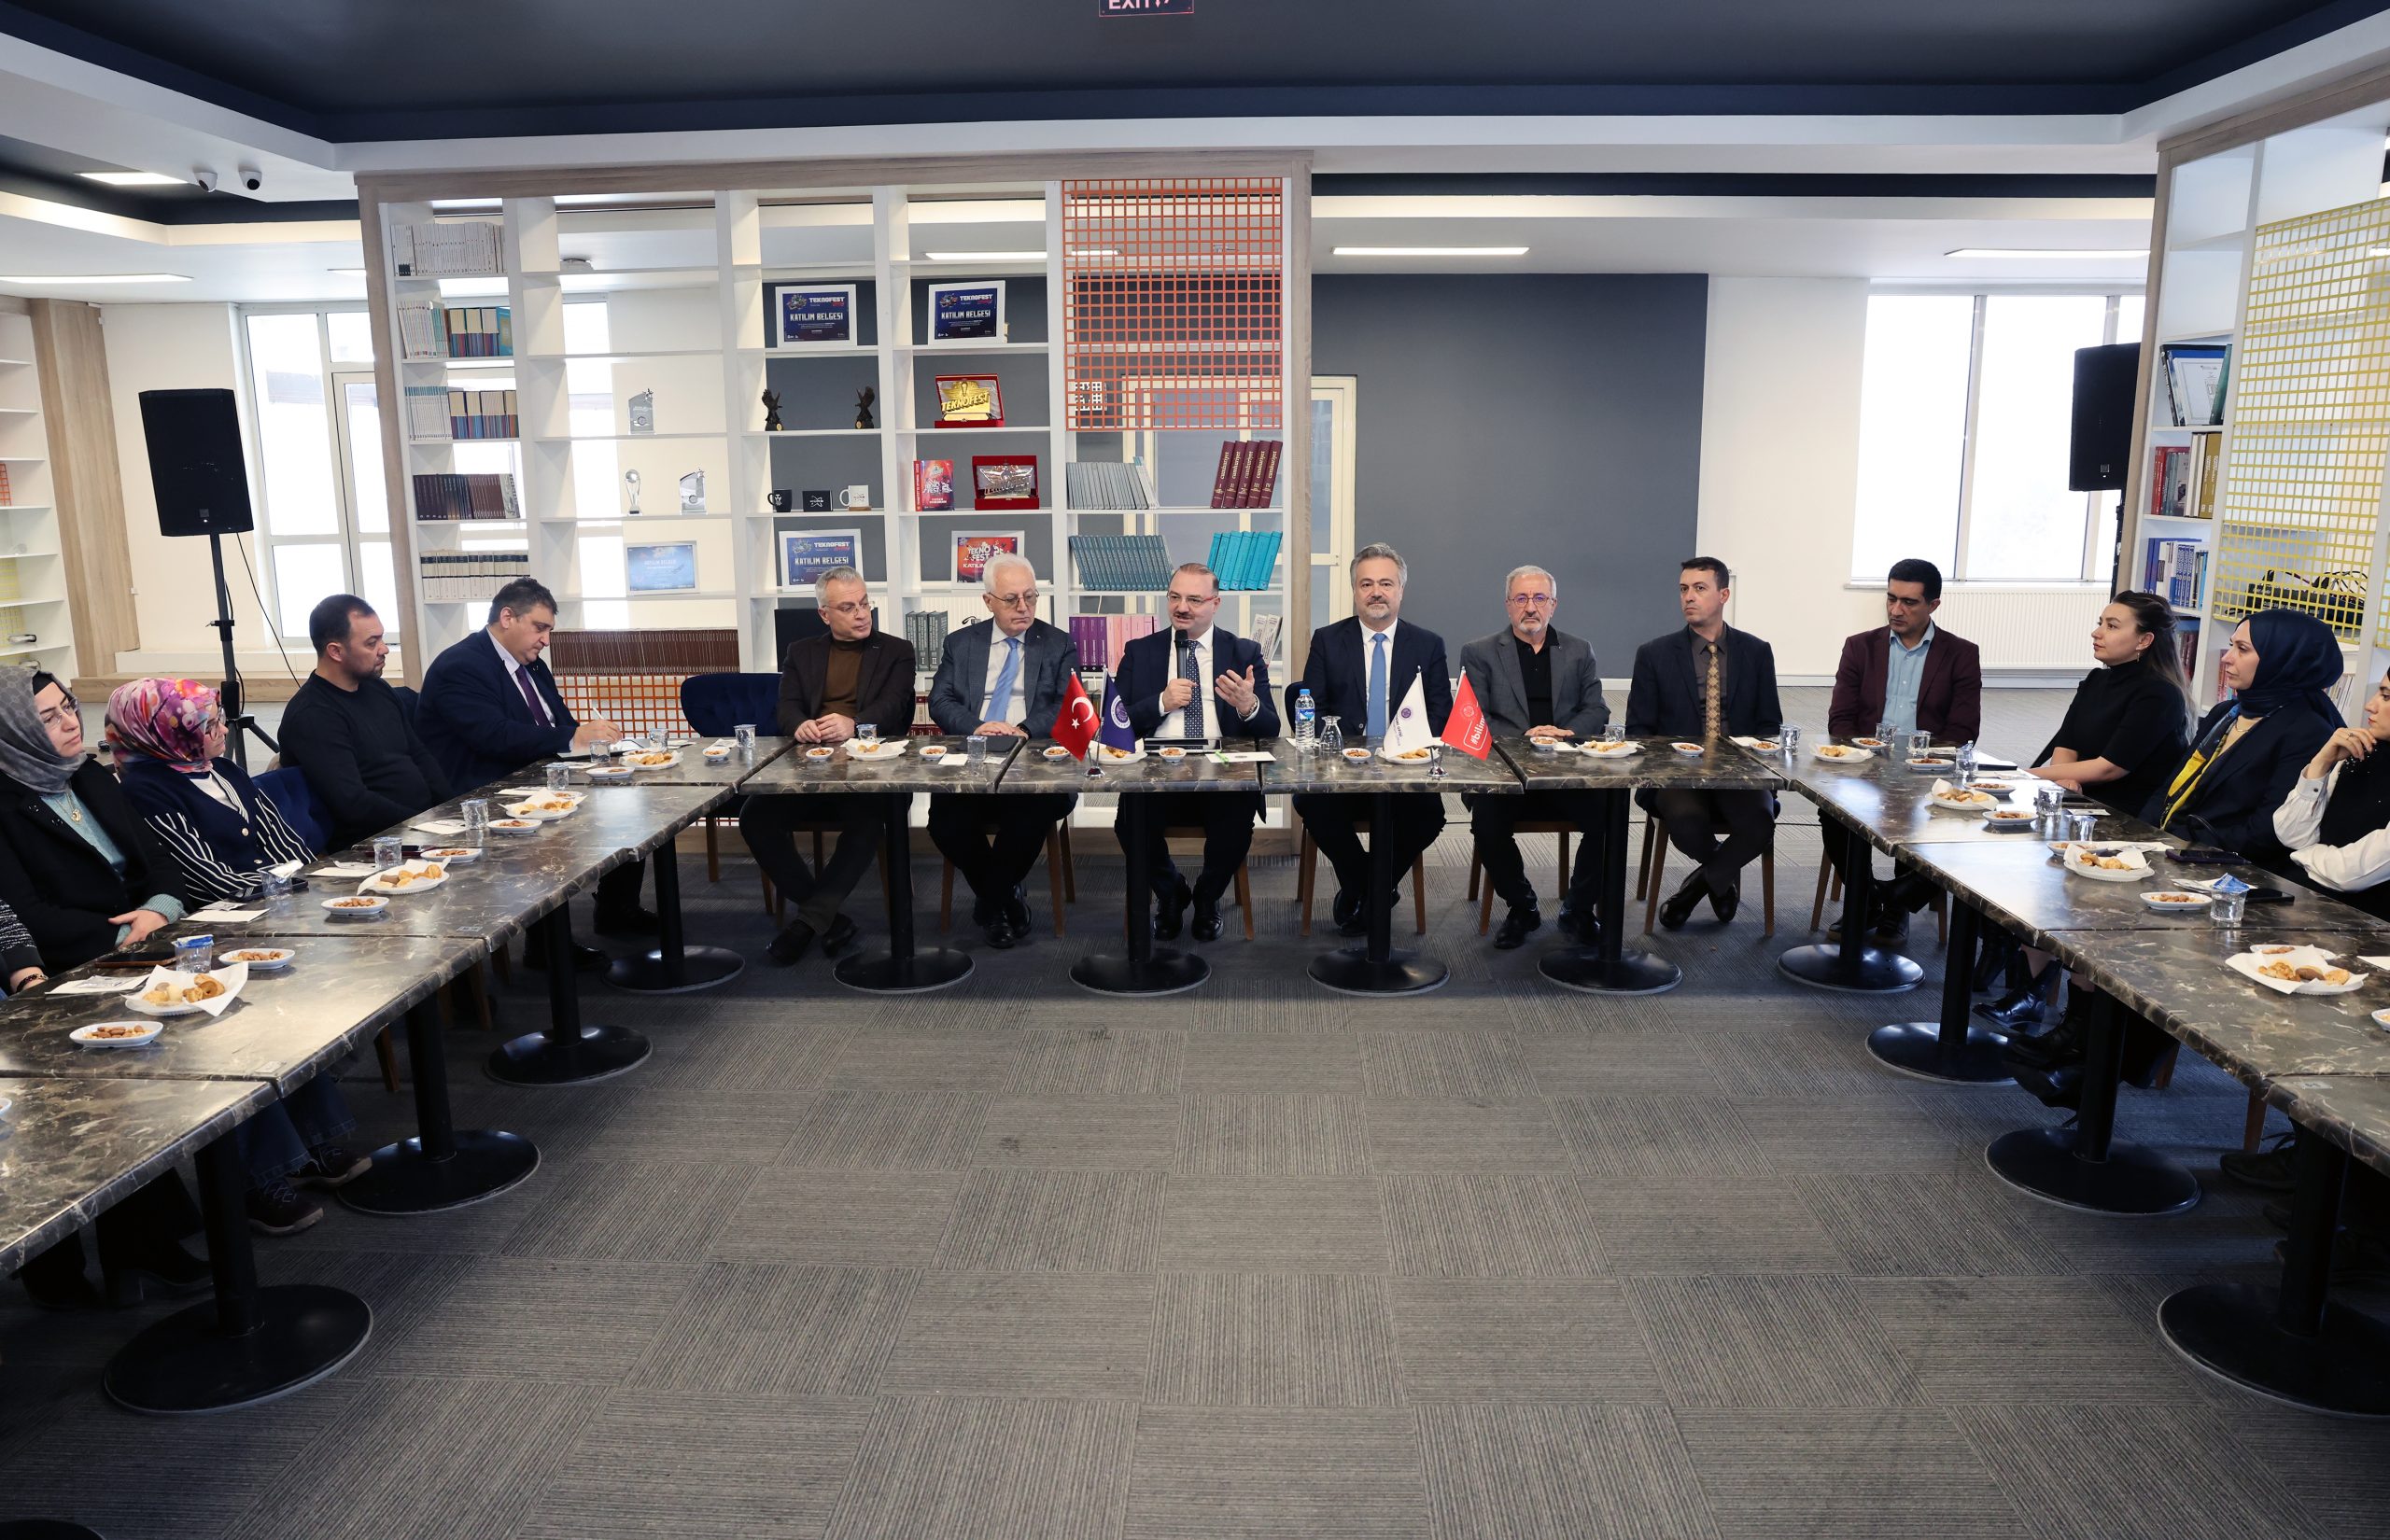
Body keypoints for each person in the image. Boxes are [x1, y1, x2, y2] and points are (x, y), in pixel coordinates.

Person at [2007, 607, 2343, 1106]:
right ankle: (2077, 1037)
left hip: (2239, 877)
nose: (2226, 658)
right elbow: (2170, 789)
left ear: (2283, 661)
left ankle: (2098, 1065)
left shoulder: (2306, 730)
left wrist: (2181, 852)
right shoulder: (2231, 711)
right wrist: (2145, 842)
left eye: (2242, 650)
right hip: (2183, 853)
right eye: (2232, 645)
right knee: (2087, 903)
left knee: (2141, 938)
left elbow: (2268, 831)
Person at [2228, 666, 2390, 1270]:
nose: (2371, 705)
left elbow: (2351, 872)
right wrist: (2322, 760)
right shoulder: (2358, 753)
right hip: (2327, 926)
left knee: (2357, 1071)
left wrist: (2303, 857)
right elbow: (2289, 829)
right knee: (2292, 1036)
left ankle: (2366, 1230)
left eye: (2387, 696)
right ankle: (2312, 1160)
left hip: (2374, 941)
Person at [1975, 593, 2192, 1032]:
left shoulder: (2159, 694)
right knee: (2001, 859)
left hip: (2127, 821)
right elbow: (2068, 745)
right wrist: (2059, 777)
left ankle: (2039, 994)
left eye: (2112, 626)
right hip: (2082, 805)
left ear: (2144, 640)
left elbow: (2111, 767)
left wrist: (2023, 775)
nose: (2097, 632)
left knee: (2045, 877)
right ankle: (2029, 985)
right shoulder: (2096, 680)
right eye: (2100, 622)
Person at [416, 578, 652, 942]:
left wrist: (591, 740)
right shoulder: (461, 666)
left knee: (628, 802)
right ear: (507, 617)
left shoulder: (533, 664)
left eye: (549, 631)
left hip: (536, 773)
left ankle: (617, 910)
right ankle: (547, 948)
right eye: (540, 628)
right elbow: (493, 735)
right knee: (558, 827)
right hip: (483, 790)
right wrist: (574, 737)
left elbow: (559, 722)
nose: (546, 640)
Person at [743, 566, 919, 964]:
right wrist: (799, 725)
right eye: (848, 608)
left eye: (864, 604)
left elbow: (893, 708)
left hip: (872, 771)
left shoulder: (897, 651)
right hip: (811, 769)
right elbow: (786, 706)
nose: (861, 614)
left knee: (868, 821)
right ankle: (829, 918)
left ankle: (806, 924)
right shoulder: (801, 651)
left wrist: (854, 723)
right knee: (755, 816)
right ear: (825, 614)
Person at [1286, 543, 1452, 934]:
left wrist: (1403, 750)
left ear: (1401, 591)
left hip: (1404, 769)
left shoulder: (1428, 644)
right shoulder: (1328, 640)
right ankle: (1372, 889)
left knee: (1430, 816)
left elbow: (1440, 714)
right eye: (1366, 584)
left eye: (1386, 584)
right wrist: (1348, 751)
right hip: (1343, 771)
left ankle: (1362, 892)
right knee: (1311, 804)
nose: (1376, 592)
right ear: (1355, 591)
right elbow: (1314, 706)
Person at [1821, 558, 1984, 942]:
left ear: (1933, 605)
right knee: (1831, 813)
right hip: (1866, 767)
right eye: (1891, 598)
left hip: (1928, 772)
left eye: (1909, 602)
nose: (1896, 609)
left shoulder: (1960, 653)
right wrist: (1864, 758)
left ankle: (1896, 905)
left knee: (1953, 826)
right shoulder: (1860, 647)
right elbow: (1840, 720)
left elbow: (1963, 731)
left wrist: (1923, 764)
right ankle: (1867, 900)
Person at [1116, 562, 1278, 942]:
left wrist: (1248, 705)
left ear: (1215, 603)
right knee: (1129, 824)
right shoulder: (1140, 651)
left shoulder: (1244, 652)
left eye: (1194, 599)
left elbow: (1271, 730)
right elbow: (1117, 724)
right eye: (1174, 597)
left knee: (1236, 823)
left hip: (1221, 767)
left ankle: (1207, 896)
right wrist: (1160, 702)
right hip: (1157, 766)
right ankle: (1171, 892)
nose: (1181, 607)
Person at [924, 555, 1080, 948]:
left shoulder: (1058, 642)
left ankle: (991, 906)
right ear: (988, 601)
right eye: (1011, 599)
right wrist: (977, 726)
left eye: (1031, 596)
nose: (1023, 607)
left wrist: (1023, 730)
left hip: (1035, 759)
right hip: (974, 755)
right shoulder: (960, 643)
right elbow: (940, 700)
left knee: (1031, 814)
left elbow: (1067, 704)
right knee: (944, 821)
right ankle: (1006, 897)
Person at [1458, 564, 1610, 948]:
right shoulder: (1479, 652)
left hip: (1566, 772)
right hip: (1507, 773)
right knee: (1487, 823)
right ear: (1508, 604)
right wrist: (1526, 736)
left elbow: (1597, 709)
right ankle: (1522, 907)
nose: (1531, 607)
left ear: (1553, 605)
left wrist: (1565, 732)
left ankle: (1579, 909)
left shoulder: (1579, 650)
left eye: (1540, 598)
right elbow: (1475, 717)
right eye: (1522, 598)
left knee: (1610, 816)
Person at [1624, 557, 1782, 928]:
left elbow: (1769, 725)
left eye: (1699, 588)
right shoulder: (1654, 654)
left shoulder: (1756, 651)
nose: (1688, 597)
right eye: (1683, 589)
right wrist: (1671, 761)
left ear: (1723, 595)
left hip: (1739, 773)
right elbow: (1638, 730)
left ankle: (1697, 887)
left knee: (1760, 823)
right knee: (1687, 822)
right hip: (1677, 775)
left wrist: (1747, 758)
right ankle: (1722, 878)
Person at [106, 678, 316, 907]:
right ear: (167, 734)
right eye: (209, 726)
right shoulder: (146, 790)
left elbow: (280, 837)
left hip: (277, 896)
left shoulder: (225, 769)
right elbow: (204, 877)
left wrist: (311, 877)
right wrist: (287, 887)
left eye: (220, 718)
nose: (224, 730)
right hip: (228, 910)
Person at [278, 594, 451, 852]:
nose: (384, 649)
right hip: (372, 845)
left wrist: (451, 810)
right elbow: (354, 803)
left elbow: (419, 755)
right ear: (335, 651)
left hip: (420, 828)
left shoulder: (376, 688)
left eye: (382, 638)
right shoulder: (313, 715)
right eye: (372, 643)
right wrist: (423, 824)